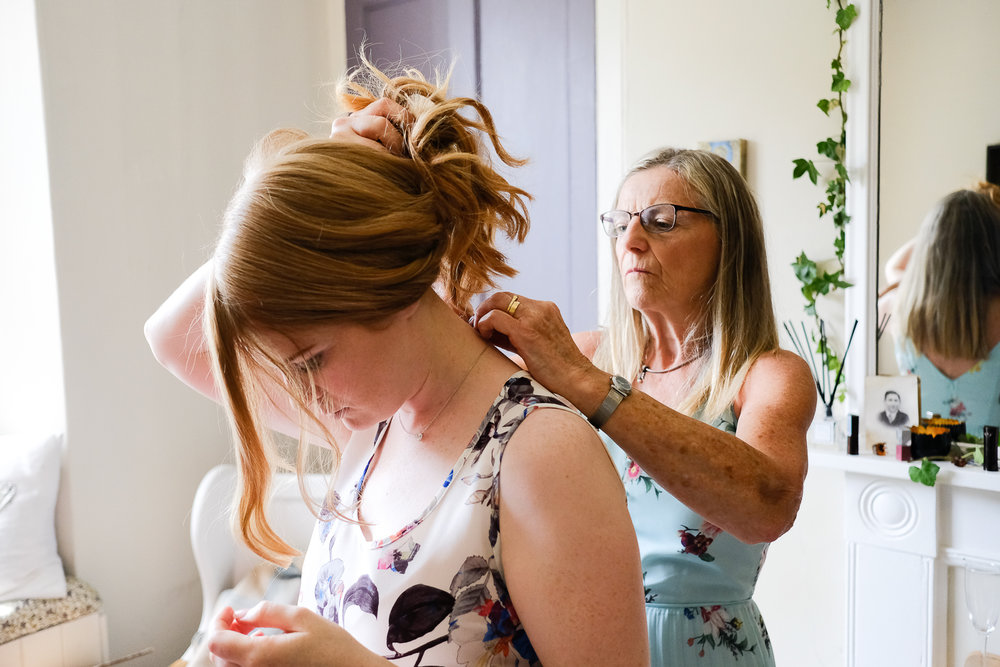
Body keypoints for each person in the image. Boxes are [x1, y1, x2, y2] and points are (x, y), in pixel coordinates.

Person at [145, 63, 649, 666]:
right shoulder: (367, 423)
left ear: (393, 290)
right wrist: (304, 193)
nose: (304, 391)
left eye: (310, 360)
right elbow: (171, 339)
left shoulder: (538, 455)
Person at [472, 148, 816, 666]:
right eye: (620, 224)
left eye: (661, 221)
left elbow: (768, 504)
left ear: (730, 241)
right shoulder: (583, 355)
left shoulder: (767, 374)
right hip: (584, 641)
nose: (631, 242)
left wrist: (590, 386)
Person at [890, 183, 1000, 434]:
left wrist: (940, 231)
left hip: (923, 468)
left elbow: (892, 267)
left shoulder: (900, 312)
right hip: (993, 470)